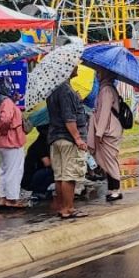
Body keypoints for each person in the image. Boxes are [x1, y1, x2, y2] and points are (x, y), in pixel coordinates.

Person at [47, 68, 89, 219]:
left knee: (60, 175)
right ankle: (68, 208)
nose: (77, 67)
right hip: (68, 139)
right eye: (74, 65)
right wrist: (77, 138)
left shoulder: (53, 89)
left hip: (55, 137)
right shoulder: (65, 90)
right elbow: (69, 118)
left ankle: (62, 207)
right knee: (69, 175)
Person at [0, 77, 28, 211]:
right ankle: (12, 200)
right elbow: (5, 119)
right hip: (10, 141)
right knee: (14, 171)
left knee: (4, 171)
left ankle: (4, 198)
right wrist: (5, 130)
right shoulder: (6, 102)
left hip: (0, 142)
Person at [89, 67, 126, 201]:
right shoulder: (107, 88)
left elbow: (104, 112)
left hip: (108, 130)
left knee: (110, 160)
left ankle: (115, 189)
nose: (97, 75)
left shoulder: (106, 90)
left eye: (99, 72)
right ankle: (112, 189)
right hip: (109, 129)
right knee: (108, 160)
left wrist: (99, 133)